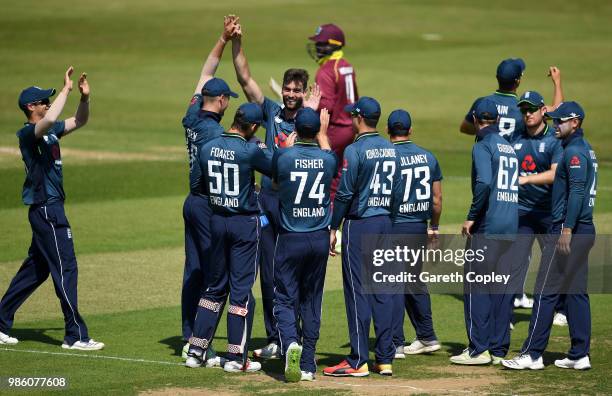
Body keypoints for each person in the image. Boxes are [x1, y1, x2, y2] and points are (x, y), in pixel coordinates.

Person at [229, 16, 320, 359]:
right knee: (268, 272)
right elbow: (244, 76)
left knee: (295, 273)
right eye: (289, 89)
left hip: (296, 205)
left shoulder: (310, 121)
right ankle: (276, 339)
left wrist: (313, 113)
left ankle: (294, 336)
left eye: (298, 90)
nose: (293, 94)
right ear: (281, 89)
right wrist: (236, 41)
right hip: (267, 201)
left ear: (305, 92)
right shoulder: (269, 112)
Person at [0, 67, 104, 351]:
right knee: (66, 268)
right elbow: (49, 120)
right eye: (43, 101)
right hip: (47, 210)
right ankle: (75, 336)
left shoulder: (48, 131)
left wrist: (84, 99)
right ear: (31, 107)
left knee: (36, 270)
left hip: (48, 210)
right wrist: (66, 89)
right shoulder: (28, 134)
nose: (47, 103)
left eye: (49, 100)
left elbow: (78, 121)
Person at [185, 103, 287, 373]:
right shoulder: (250, 150)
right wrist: (283, 149)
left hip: (216, 221)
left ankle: (196, 351)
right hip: (244, 224)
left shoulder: (207, 148)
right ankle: (235, 357)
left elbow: (196, 186)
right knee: (240, 290)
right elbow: (278, 170)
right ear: (253, 127)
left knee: (214, 287)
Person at [502, 101, 597, 370]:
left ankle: (532, 354)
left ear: (575, 122)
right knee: (576, 292)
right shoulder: (584, 149)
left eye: (561, 121)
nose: (555, 125)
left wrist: (566, 229)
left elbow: (577, 191)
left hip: (568, 230)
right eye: (554, 120)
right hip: (583, 230)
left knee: (545, 292)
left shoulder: (574, 152)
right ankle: (580, 354)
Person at [323, 97, 397, 377]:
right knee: (382, 289)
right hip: (384, 223)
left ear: (358, 118)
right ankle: (385, 358)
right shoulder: (391, 149)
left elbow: (343, 193)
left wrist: (334, 226)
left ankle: (358, 360)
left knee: (356, 292)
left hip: (360, 224)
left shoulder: (354, 150)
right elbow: (397, 189)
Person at [180, 16, 239, 361]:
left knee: (195, 270)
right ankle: (201, 342)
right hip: (207, 205)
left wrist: (222, 39)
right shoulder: (217, 135)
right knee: (215, 274)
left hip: (191, 202)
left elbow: (204, 74)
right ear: (219, 102)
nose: (229, 101)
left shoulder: (191, 115)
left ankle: (190, 335)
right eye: (227, 98)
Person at [451, 98, 518, 365]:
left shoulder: (483, 144)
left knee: (476, 286)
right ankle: (499, 347)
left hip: (488, 225)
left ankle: (478, 349)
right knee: (501, 288)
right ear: (498, 121)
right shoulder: (508, 146)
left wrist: (470, 217)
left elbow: (484, 183)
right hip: (510, 225)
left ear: (477, 120)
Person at [272, 108, 337, 382]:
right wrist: (324, 134)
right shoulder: (328, 159)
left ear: (296, 129)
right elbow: (330, 154)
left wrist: (286, 146)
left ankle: (290, 344)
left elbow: (275, 184)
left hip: (290, 238)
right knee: (312, 300)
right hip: (319, 238)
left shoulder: (284, 157)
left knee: (285, 297)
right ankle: (309, 363)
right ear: (317, 131)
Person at [386, 109, 443, 359]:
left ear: (388, 132)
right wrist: (435, 227)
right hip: (419, 227)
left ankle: (396, 343)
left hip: (395, 226)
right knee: (415, 281)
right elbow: (437, 199)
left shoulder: (387, 157)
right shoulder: (428, 157)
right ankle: (427, 336)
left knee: (393, 283)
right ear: (410, 130)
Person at [504, 90, 563, 323]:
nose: (527, 114)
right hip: (522, 211)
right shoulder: (515, 137)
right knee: (514, 262)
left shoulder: (553, 140)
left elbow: (555, 174)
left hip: (548, 211)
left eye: (531, 109)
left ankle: (560, 309)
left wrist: (526, 179)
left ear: (543, 111)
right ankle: (505, 314)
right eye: (524, 110)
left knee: (555, 263)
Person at [307, 23, 358, 200]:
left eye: (321, 44)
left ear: (333, 44)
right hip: (350, 127)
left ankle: (330, 221)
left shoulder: (326, 71)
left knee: (326, 176)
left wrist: (307, 109)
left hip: (334, 129)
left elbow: (325, 106)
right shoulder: (346, 66)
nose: (317, 47)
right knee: (339, 173)